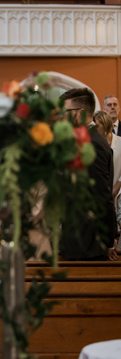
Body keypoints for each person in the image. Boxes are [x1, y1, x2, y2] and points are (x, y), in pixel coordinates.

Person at [61, 88, 117, 261]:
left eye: (65, 112)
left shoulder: (92, 144)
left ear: (79, 113)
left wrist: (107, 241)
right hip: (79, 238)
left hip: (87, 243)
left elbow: (102, 194)